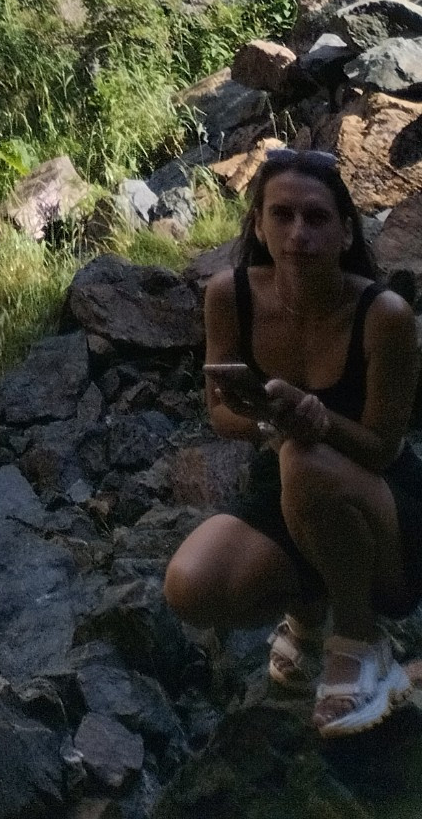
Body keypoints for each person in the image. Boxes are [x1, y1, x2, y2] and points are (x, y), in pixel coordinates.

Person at [163, 145, 422, 735]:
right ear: (257, 223)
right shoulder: (230, 296)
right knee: (190, 586)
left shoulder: (384, 315)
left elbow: (385, 447)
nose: (298, 233)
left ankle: (358, 640)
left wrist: (319, 425)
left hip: (384, 503)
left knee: (305, 460)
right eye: (281, 215)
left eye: (316, 218)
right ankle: (307, 613)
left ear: (345, 231)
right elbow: (220, 412)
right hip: (285, 483)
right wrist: (270, 424)